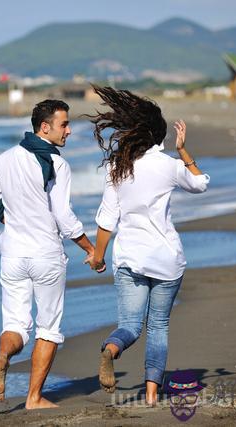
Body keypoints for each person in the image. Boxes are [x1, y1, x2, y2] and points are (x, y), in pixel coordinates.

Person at [84, 86, 210, 406]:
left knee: (129, 325)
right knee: (158, 326)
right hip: (166, 259)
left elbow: (106, 219)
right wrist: (183, 151)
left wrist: (98, 256)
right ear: (159, 136)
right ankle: (152, 395)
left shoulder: (118, 167)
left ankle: (111, 349)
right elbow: (200, 183)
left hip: (128, 258)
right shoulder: (167, 164)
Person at [0, 99, 95, 409]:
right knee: (48, 328)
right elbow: (63, 215)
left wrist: (18, 222)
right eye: (64, 124)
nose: (68, 130)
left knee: (15, 326)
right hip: (45, 255)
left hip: (13, 254)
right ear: (45, 127)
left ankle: (3, 356)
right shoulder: (57, 164)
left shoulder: (3, 160)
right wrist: (90, 247)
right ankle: (33, 398)